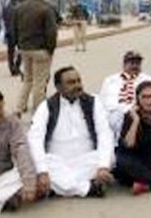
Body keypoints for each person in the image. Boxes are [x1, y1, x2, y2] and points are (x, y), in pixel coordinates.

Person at [28, 67, 114, 198]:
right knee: (38, 161)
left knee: (110, 157)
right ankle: (87, 188)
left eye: (79, 81)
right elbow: (35, 138)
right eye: (71, 82)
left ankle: (57, 187)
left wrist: (103, 167)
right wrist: (43, 172)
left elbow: (104, 133)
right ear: (58, 87)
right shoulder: (47, 106)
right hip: (56, 162)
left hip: (87, 160)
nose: (78, 85)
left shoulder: (93, 102)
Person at [13, 0, 58, 117]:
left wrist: (19, 45)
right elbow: (51, 32)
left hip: (24, 48)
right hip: (40, 50)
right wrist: (50, 49)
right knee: (39, 82)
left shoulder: (20, 7)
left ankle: (19, 108)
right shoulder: (46, 8)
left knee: (28, 80)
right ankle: (38, 113)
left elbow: (14, 29)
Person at [99, 51, 151, 140]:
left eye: (137, 63)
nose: (135, 66)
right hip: (113, 114)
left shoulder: (148, 80)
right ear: (124, 64)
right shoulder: (110, 80)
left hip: (137, 114)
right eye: (132, 63)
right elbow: (102, 101)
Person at [5, 0, 22, 76]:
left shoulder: (6, 8)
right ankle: (17, 66)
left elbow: (4, 20)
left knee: (10, 52)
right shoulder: (19, 9)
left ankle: (11, 67)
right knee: (21, 51)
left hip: (9, 33)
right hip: (18, 33)